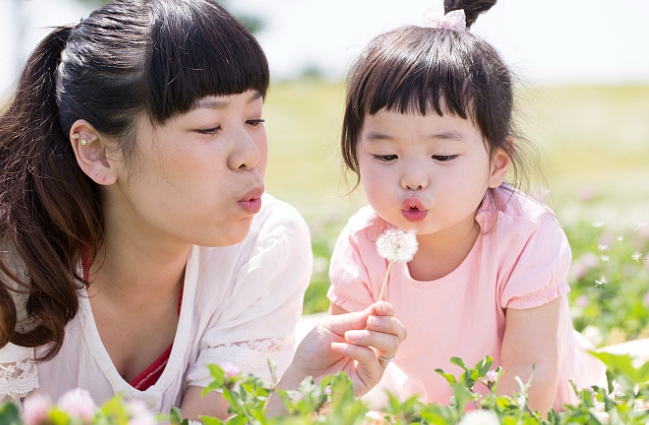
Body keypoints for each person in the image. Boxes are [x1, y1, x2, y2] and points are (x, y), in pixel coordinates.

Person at [0, 0, 406, 421]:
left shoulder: (264, 246)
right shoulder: (11, 266)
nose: (249, 155)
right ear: (98, 152)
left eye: (254, 119)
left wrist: (295, 392)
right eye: (208, 127)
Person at [327, 0, 606, 416]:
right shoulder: (362, 244)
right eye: (386, 157)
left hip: (554, 407)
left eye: (442, 156)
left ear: (496, 164)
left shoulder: (525, 236)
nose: (413, 178)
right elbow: (337, 367)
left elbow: (529, 369)